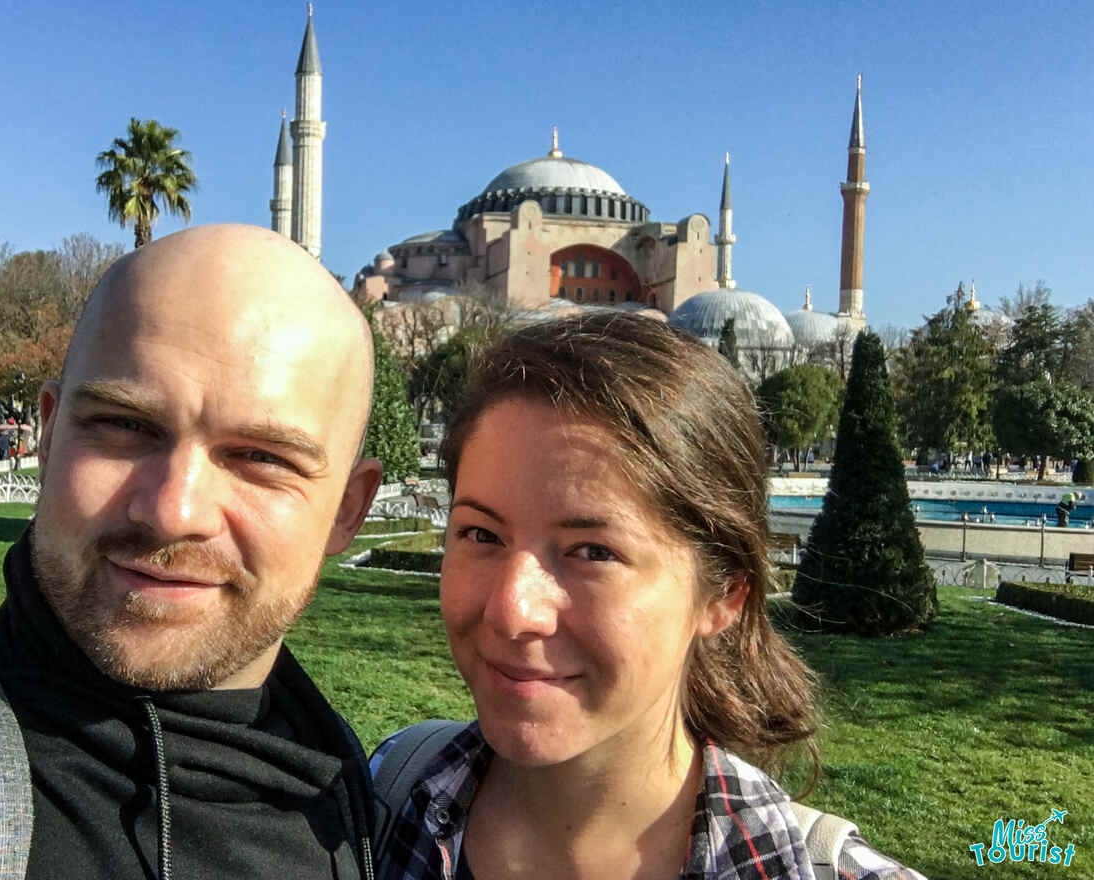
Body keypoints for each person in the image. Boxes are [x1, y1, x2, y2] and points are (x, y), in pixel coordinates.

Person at [0, 225, 384, 878]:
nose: (173, 510)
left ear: (348, 509)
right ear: (48, 432)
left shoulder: (371, 807)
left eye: (261, 457)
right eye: (125, 425)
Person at [371, 314, 924, 880]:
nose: (513, 610)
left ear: (724, 594)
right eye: (481, 535)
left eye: (592, 552)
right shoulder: (379, 808)